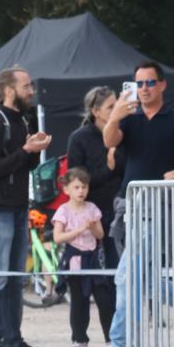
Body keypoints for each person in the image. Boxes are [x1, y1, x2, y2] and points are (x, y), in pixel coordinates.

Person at [91, 61, 174, 347]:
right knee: (143, 278)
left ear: (163, 85)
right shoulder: (129, 117)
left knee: (127, 274)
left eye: (150, 83)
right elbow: (109, 141)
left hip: (159, 203)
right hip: (129, 204)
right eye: (139, 84)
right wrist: (114, 116)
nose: (144, 89)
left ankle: (122, 343)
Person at [0, 66, 52, 347]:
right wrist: (26, 149)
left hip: (19, 207)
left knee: (15, 277)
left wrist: (33, 151)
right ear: (10, 90)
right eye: (26, 86)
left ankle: (14, 339)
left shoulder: (21, 119)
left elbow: (24, 166)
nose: (31, 90)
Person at [51, 168, 115, 347]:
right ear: (67, 189)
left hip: (94, 259)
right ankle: (79, 341)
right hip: (75, 260)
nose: (81, 191)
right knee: (79, 301)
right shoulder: (63, 211)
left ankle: (111, 340)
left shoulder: (92, 208)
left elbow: (101, 235)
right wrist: (80, 229)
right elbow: (58, 238)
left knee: (104, 299)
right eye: (76, 187)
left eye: (84, 187)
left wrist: (94, 227)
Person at [66, 86, 125, 265]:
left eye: (117, 105)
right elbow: (76, 181)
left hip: (123, 207)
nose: (116, 110)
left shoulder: (124, 133)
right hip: (93, 213)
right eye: (111, 107)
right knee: (98, 270)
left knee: (120, 264)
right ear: (96, 111)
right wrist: (109, 168)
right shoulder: (79, 138)